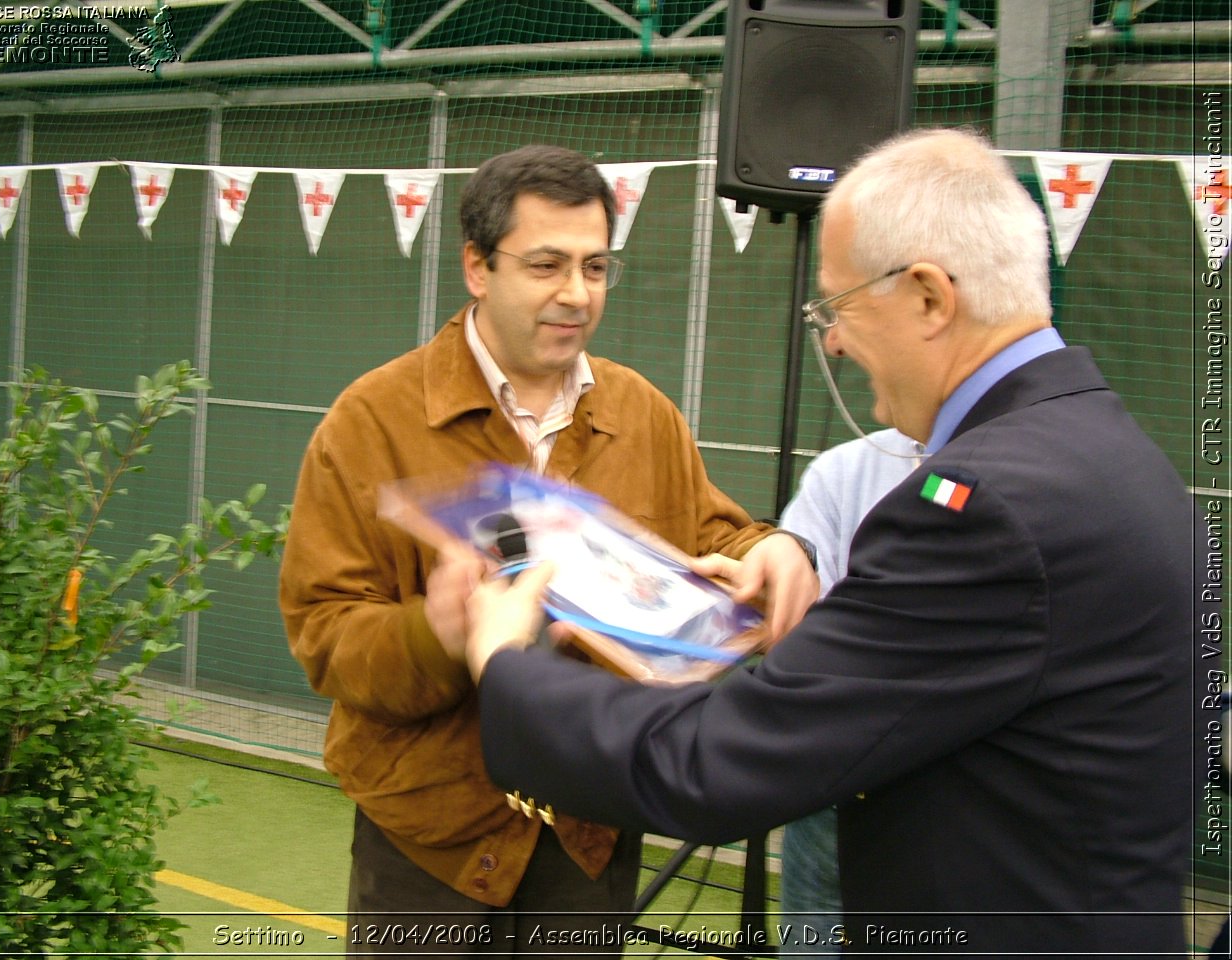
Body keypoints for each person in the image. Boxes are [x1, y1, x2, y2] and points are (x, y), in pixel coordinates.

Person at [457, 128, 1195, 958]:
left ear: (927, 296)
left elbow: (708, 766)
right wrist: (794, 580)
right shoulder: (1105, 447)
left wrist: (505, 662)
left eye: (838, 308)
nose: (834, 342)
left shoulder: (980, 506)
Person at [278, 144, 815, 955]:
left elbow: (714, 534)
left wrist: (773, 550)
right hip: (430, 838)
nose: (576, 294)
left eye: (596, 267)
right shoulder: (369, 422)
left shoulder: (645, 415)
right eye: (547, 265)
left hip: (590, 827)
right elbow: (324, 636)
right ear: (477, 266)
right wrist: (439, 632)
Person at [776, 428, 920, 955]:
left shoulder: (1031, 476)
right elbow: (797, 632)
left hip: (951, 807)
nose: (835, 344)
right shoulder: (846, 469)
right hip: (830, 791)